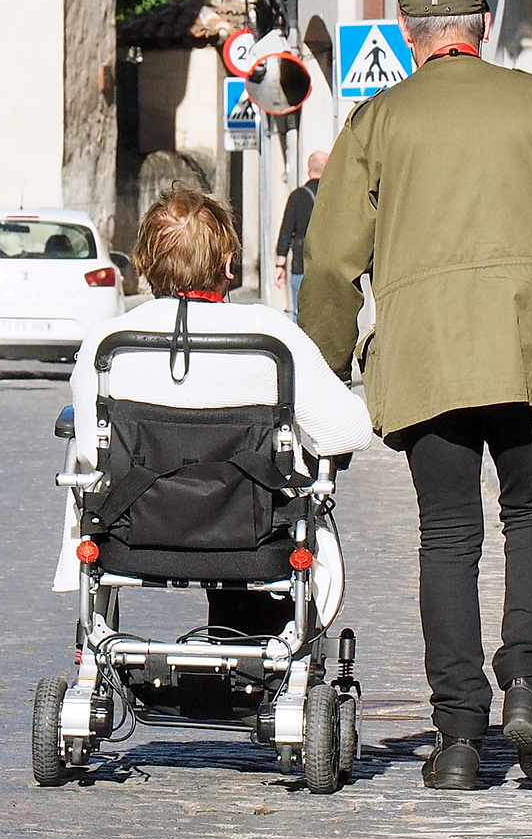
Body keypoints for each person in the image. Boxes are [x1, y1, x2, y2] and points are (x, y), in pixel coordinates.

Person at [300, 0, 532, 790]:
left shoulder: (377, 122)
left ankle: (455, 738)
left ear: (410, 38)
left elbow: (332, 262)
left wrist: (320, 369)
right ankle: (526, 681)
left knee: (446, 537)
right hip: (531, 347)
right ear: (483, 24)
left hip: (428, 356)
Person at [55, 186, 372, 636]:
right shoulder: (268, 336)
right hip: (253, 536)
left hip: (132, 532)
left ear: (144, 264)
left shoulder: (109, 342)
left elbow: (90, 449)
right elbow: (350, 431)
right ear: (227, 264)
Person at [273, 151, 328, 320]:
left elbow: (286, 231)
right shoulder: (337, 195)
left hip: (301, 265)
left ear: (309, 170)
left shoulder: (298, 196)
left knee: (301, 313)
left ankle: (303, 346)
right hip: (329, 267)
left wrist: (280, 265)